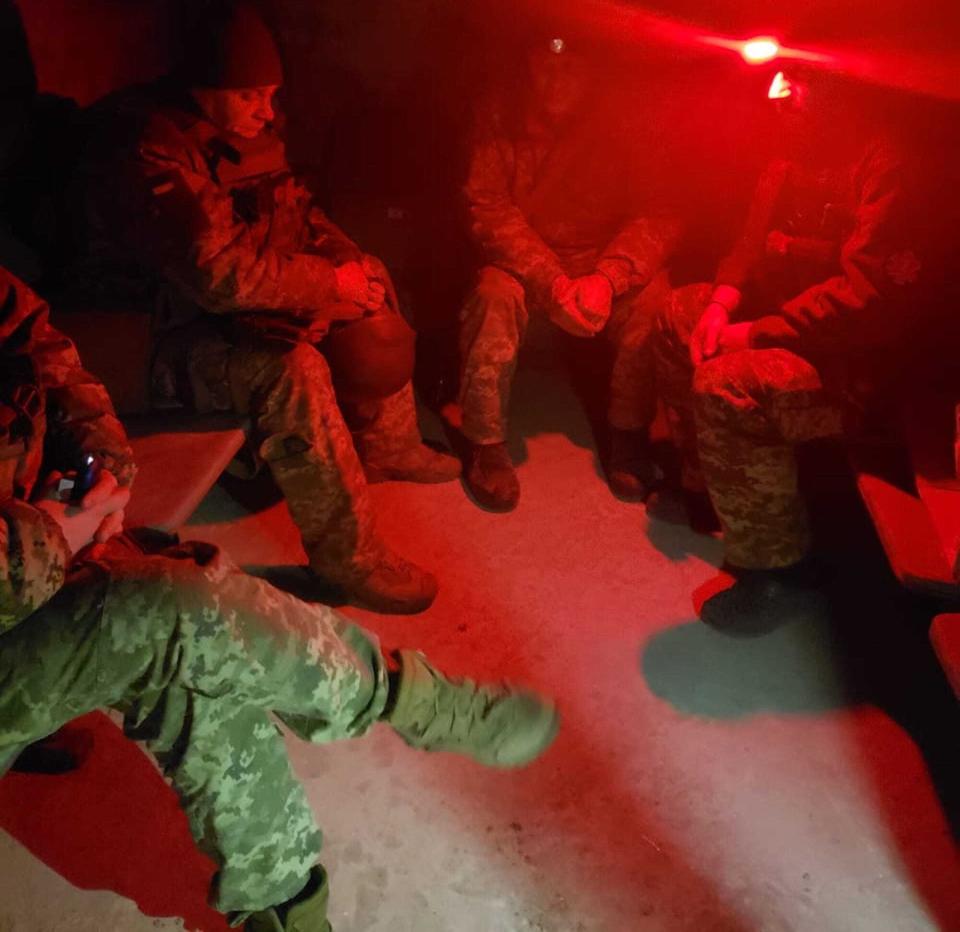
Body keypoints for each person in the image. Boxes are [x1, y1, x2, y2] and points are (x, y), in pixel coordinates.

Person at [0, 265, 560, 931]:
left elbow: (36, 343)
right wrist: (43, 541)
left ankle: (281, 912)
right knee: (171, 610)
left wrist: (102, 466)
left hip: (33, 541)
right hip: (22, 562)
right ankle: (407, 701)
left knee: (193, 657)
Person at [71, 1, 460, 614]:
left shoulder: (235, 132)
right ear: (205, 85)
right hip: (134, 343)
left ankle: (388, 444)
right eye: (252, 95)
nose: (266, 111)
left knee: (368, 274)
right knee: (291, 369)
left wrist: (350, 264)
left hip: (197, 315)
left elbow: (296, 210)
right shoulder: (146, 150)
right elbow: (220, 275)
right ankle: (349, 563)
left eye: (271, 94)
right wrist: (328, 281)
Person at [655, 64, 950, 634]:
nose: (779, 96)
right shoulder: (794, 149)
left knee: (726, 386)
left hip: (860, 365)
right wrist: (721, 303)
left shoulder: (888, 165)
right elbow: (750, 238)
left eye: (796, 86)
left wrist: (755, 333)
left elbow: (868, 299)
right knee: (679, 315)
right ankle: (709, 488)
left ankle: (776, 572)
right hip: (791, 326)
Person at [457, 31, 681, 511]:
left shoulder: (632, 118)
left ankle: (629, 432)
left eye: (571, 67)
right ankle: (485, 442)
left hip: (603, 259)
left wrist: (607, 278)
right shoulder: (500, 110)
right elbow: (487, 203)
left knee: (654, 304)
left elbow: (661, 211)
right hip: (528, 261)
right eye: (545, 65)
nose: (555, 79)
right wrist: (551, 280)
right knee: (492, 296)